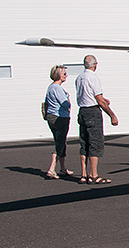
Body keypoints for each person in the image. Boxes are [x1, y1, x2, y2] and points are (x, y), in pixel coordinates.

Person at [75, 54, 118, 184]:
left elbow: (87, 95)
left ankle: (84, 174)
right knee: (95, 143)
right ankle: (94, 175)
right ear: (95, 65)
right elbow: (99, 99)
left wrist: (103, 100)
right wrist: (112, 115)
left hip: (82, 110)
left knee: (84, 143)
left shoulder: (79, 77)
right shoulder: (93, 78)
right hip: (92, 112)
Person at [43, 64, 73, 179]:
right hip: (60, 118)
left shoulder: (50, 87)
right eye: (64, 74)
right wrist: (68, 98)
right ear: (58, 75)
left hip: (51, 116)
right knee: (60, 142)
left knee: (60, 141)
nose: (66, 75)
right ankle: (52, 169)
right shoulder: (58, 88)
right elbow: (65, 104)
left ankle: (63, 168)